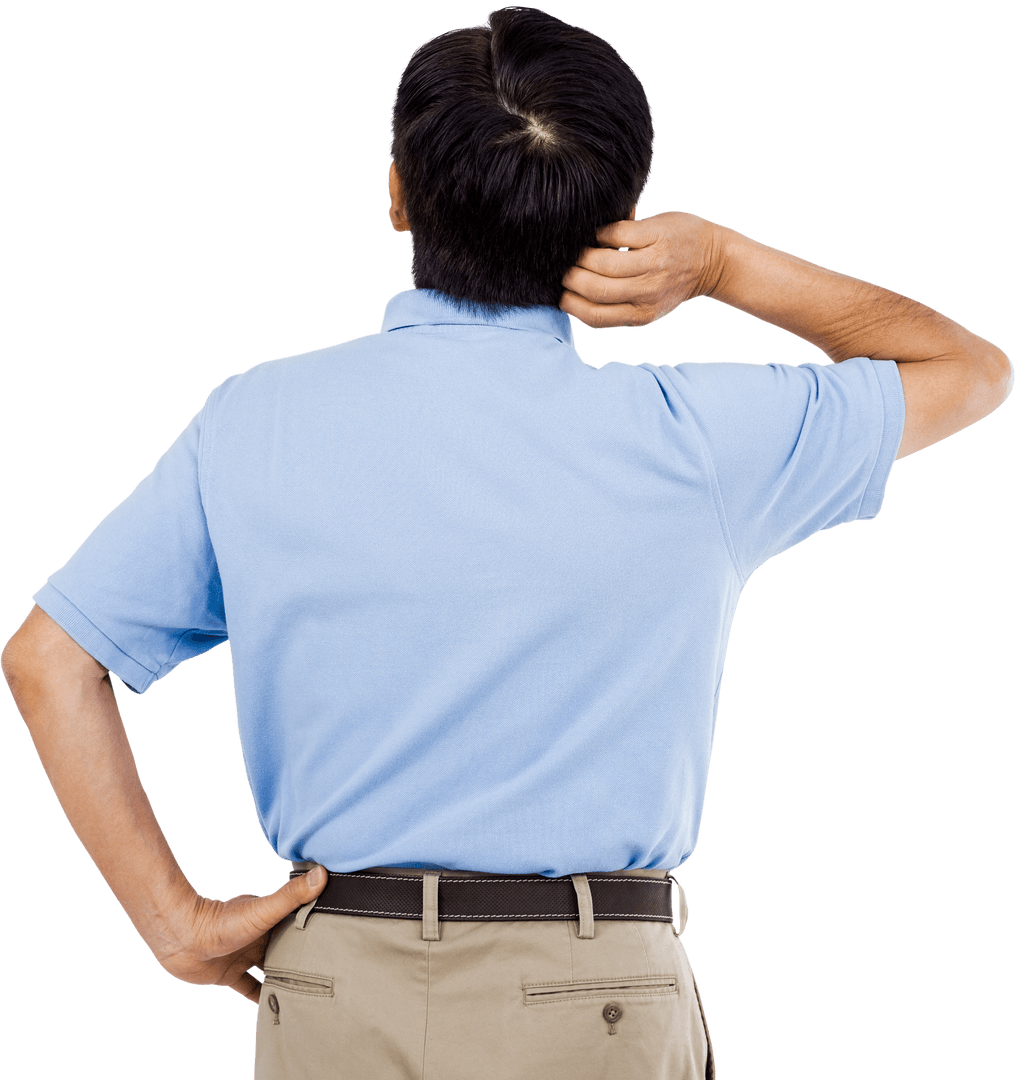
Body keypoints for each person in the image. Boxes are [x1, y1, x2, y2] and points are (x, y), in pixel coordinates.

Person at [2, 6, 1010, 1078]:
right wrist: (718, 263)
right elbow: (969, 372)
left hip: (338, 989)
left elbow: (50, 660)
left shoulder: (257, 421)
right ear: (619, 218)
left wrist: (173, 923)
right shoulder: (696, 439)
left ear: (397, 191)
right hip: (599, 1000)